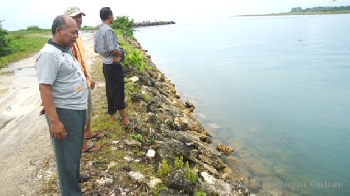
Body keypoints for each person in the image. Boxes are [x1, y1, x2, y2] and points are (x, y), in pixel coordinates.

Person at [35, 15, 87, 196]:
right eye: (73, 32)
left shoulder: (64, 49)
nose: (76, 35)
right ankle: (71, 191)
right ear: (59, 31)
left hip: (77, 108)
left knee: (74, 150)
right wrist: (55, 121)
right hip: (65, 112)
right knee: (66, 156)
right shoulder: (49, 54)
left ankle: (75, 176)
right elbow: (45, 87)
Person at [64, 6, 103, 153]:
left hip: (84, 80)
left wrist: (89, 78)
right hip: (76, 86)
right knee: (80, 115)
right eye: (75, 17)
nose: (79, 20)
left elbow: (81, 61)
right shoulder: (68, 40)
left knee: (88, 110)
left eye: (80, 17)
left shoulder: (77, 36)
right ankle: (81, 146)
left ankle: (88, 132)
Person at [94, 7, 135, 129]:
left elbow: (96, 49)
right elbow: (113, 50)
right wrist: (122, 54)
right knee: (118, 92)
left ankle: (112, 116)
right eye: (113, 15)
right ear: (110, 16)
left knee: (110, 90)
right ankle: (125, 121)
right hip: (113, 65)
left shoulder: (98, 31)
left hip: (106, 65)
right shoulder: (109, 31)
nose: (114, 18)